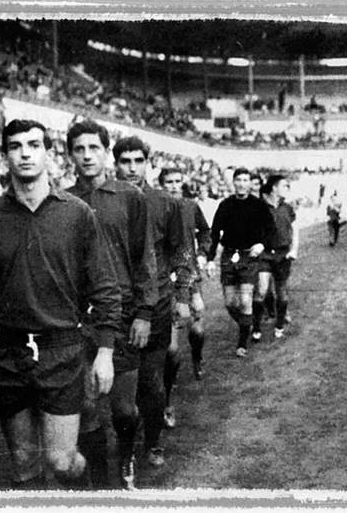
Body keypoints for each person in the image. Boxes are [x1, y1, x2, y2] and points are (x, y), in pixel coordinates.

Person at [0, 118, 121, 490]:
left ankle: (91, 484)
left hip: (61, 349)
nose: (25, 153)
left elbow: (104, 287)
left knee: (61, 461)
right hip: (6, 352)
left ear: (47, 153)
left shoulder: (75, 213)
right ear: (4, 155)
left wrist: (104, 351)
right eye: (15, 146)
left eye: (34, 144)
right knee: (24, 463)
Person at [66, 120, 157, 489]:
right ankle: (101, 481)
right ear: (70, 154)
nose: (87, 156)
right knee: (87, 407)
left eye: (94, 149)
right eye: (79, 149)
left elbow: (144, 257)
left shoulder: (130, 197)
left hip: (121, 315)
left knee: (122, 407)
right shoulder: (63, 200)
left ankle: (128, 455)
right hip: (78, 319)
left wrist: (145, 313)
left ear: (107, 153)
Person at [113, 136, 193, 470]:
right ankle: (124, 447)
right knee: (119, 392)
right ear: (115, 163)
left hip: (157, 301)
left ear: (148, 162)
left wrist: (184, 297)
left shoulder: (165, 202)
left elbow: (181, 252)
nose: (131, 168)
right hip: (116, 307)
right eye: (124, 161)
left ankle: (153, 443)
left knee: (151, 381)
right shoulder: (105, 200)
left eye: (137, 161)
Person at [206, 168, 275, 358]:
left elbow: (270, 229)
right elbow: (214, 233)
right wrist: (211, 259)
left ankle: (242, 342)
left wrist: (261, 244)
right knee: (230, 303)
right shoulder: (225, 205)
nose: (242, 183)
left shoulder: (258, 205)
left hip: (249, 257)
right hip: (229, 257)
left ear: (249, 183)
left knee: (245, 300)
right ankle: (248, 323)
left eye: (246, 180)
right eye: (239, 180)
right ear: (233, 182)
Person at [160, 168, 213, 381]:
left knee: (197, 330)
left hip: (189, 276)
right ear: (161, 184)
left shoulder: (190, 206)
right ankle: (167, 393)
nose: (173, 186)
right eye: (169, 182)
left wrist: (202, 254)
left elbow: (206, 233)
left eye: (177, 181)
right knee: (171, 350)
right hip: (165, 279)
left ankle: (197, 358)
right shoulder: (154, 207)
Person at [252, 175, 299, 340]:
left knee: (282, 292)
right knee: (262, 289)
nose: (287, 188)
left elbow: (295, 230)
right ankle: (256, 327)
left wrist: (294, 250)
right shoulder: (259, 208)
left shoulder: (287, 207)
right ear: (273, 187)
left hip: (283, 254)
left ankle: (279, 325)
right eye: (284, 185)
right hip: (265, 254)